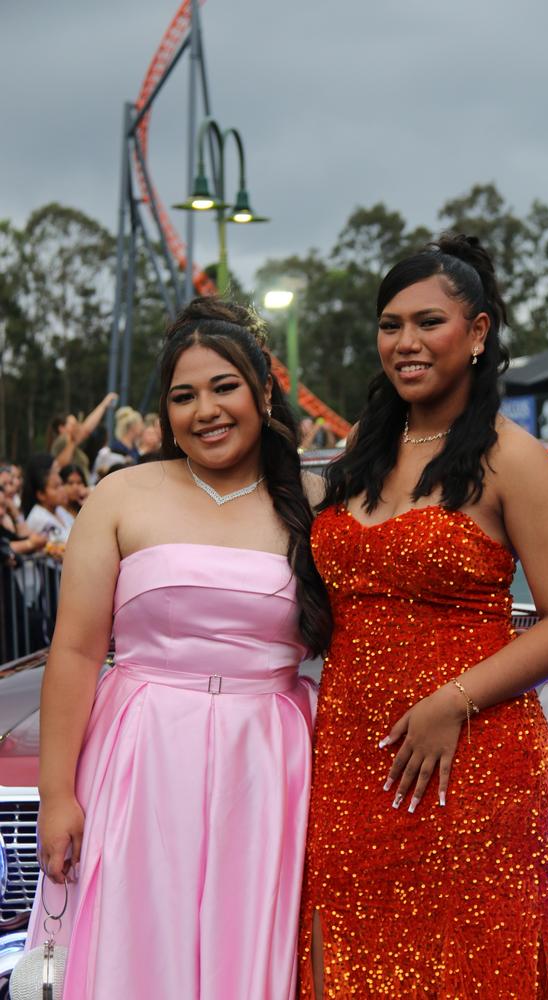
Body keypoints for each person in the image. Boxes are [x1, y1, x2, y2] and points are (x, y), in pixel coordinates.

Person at [299, 235, 548, 999]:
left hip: (471, 760)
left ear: (480, 332)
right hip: (349, 758)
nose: (405, 343)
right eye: (389, 324)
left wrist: (449, 703)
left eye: (428, 322)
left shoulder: (512, 458)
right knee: (350, 961)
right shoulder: (366, 447)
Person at [28, 297, 331, 1000]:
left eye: (224, 387)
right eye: (183, 396)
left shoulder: (315, 498)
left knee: (252, 941)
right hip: (141, 750)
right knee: (139, 943)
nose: (207, 411)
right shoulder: (120, 494)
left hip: (271, 758)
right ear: (165, 412)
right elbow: (74, 652)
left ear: (262, 392)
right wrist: (57, 794)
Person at [48, 392, 118, 480]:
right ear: (61, 428)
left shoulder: (70, 443)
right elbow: (60, 464)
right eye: (73, 425)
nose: (77, 428)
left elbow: (86, 429)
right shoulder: (63, 441)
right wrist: (104, 404)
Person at [23, 455, 72, 543]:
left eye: (61, 485)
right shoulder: (38, 518)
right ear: (41, 494)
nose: (62, 490)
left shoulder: (59, 510)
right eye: (56, 487)